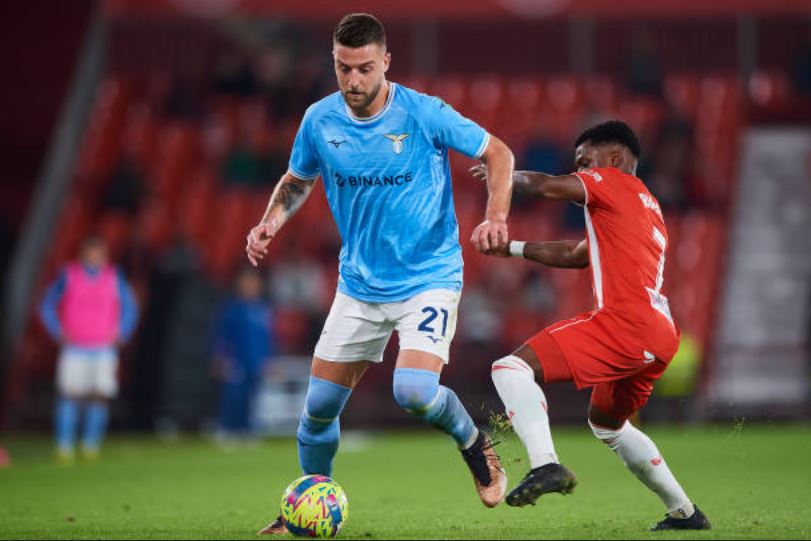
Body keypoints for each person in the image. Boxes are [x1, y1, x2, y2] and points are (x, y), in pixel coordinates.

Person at [245, 13, 515, 533]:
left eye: (364, 68)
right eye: (343, 68)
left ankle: (473, 442)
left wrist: (496, 216)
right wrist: (269, 222)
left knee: (413, 390)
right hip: (360, 286)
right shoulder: (319, 121)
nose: (353, 80)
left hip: (429, 278)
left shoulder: (424, 113)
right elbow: (298, 179)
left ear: (386, 62)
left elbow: (498, 152)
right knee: (317, 410)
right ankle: (309, 504)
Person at [470, 120, 711, 531]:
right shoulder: (645, 204)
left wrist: (503, 171)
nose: (579, 170)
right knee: (608, 425)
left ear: (614, 158)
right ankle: (685, 513)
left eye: (585, 161)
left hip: (626, 323)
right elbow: (575, 254)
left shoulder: (611, 181)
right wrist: (513, 249)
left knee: (509, 368)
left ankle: (545, 465)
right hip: (659, 333)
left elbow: (546, 186)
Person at [39, 235, 139, 462]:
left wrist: (122, 331)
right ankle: (64, 446)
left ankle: (90, 445)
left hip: (103, 348)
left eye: (99, 253)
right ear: (82, 253)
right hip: (75, 347)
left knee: (99, 396)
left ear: (105, 255)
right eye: (91, 252)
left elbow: (130, 307)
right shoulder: (68, 275)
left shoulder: (113, 277)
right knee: (69, 395)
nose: (95, 257)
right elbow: (46, 304)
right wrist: (57, 330)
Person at [211, 267, 277, 440]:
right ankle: (226, 427)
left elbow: (268, 338)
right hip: (236, 361)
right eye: (246, 282)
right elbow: (222, 336)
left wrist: (270, 360)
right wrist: (220, 359)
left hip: (256, 363)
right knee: (234, 395)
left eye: (253, 283)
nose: (250, 286)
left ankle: (247, 429)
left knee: (253, 397)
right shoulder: (232, 309)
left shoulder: (263, 310)